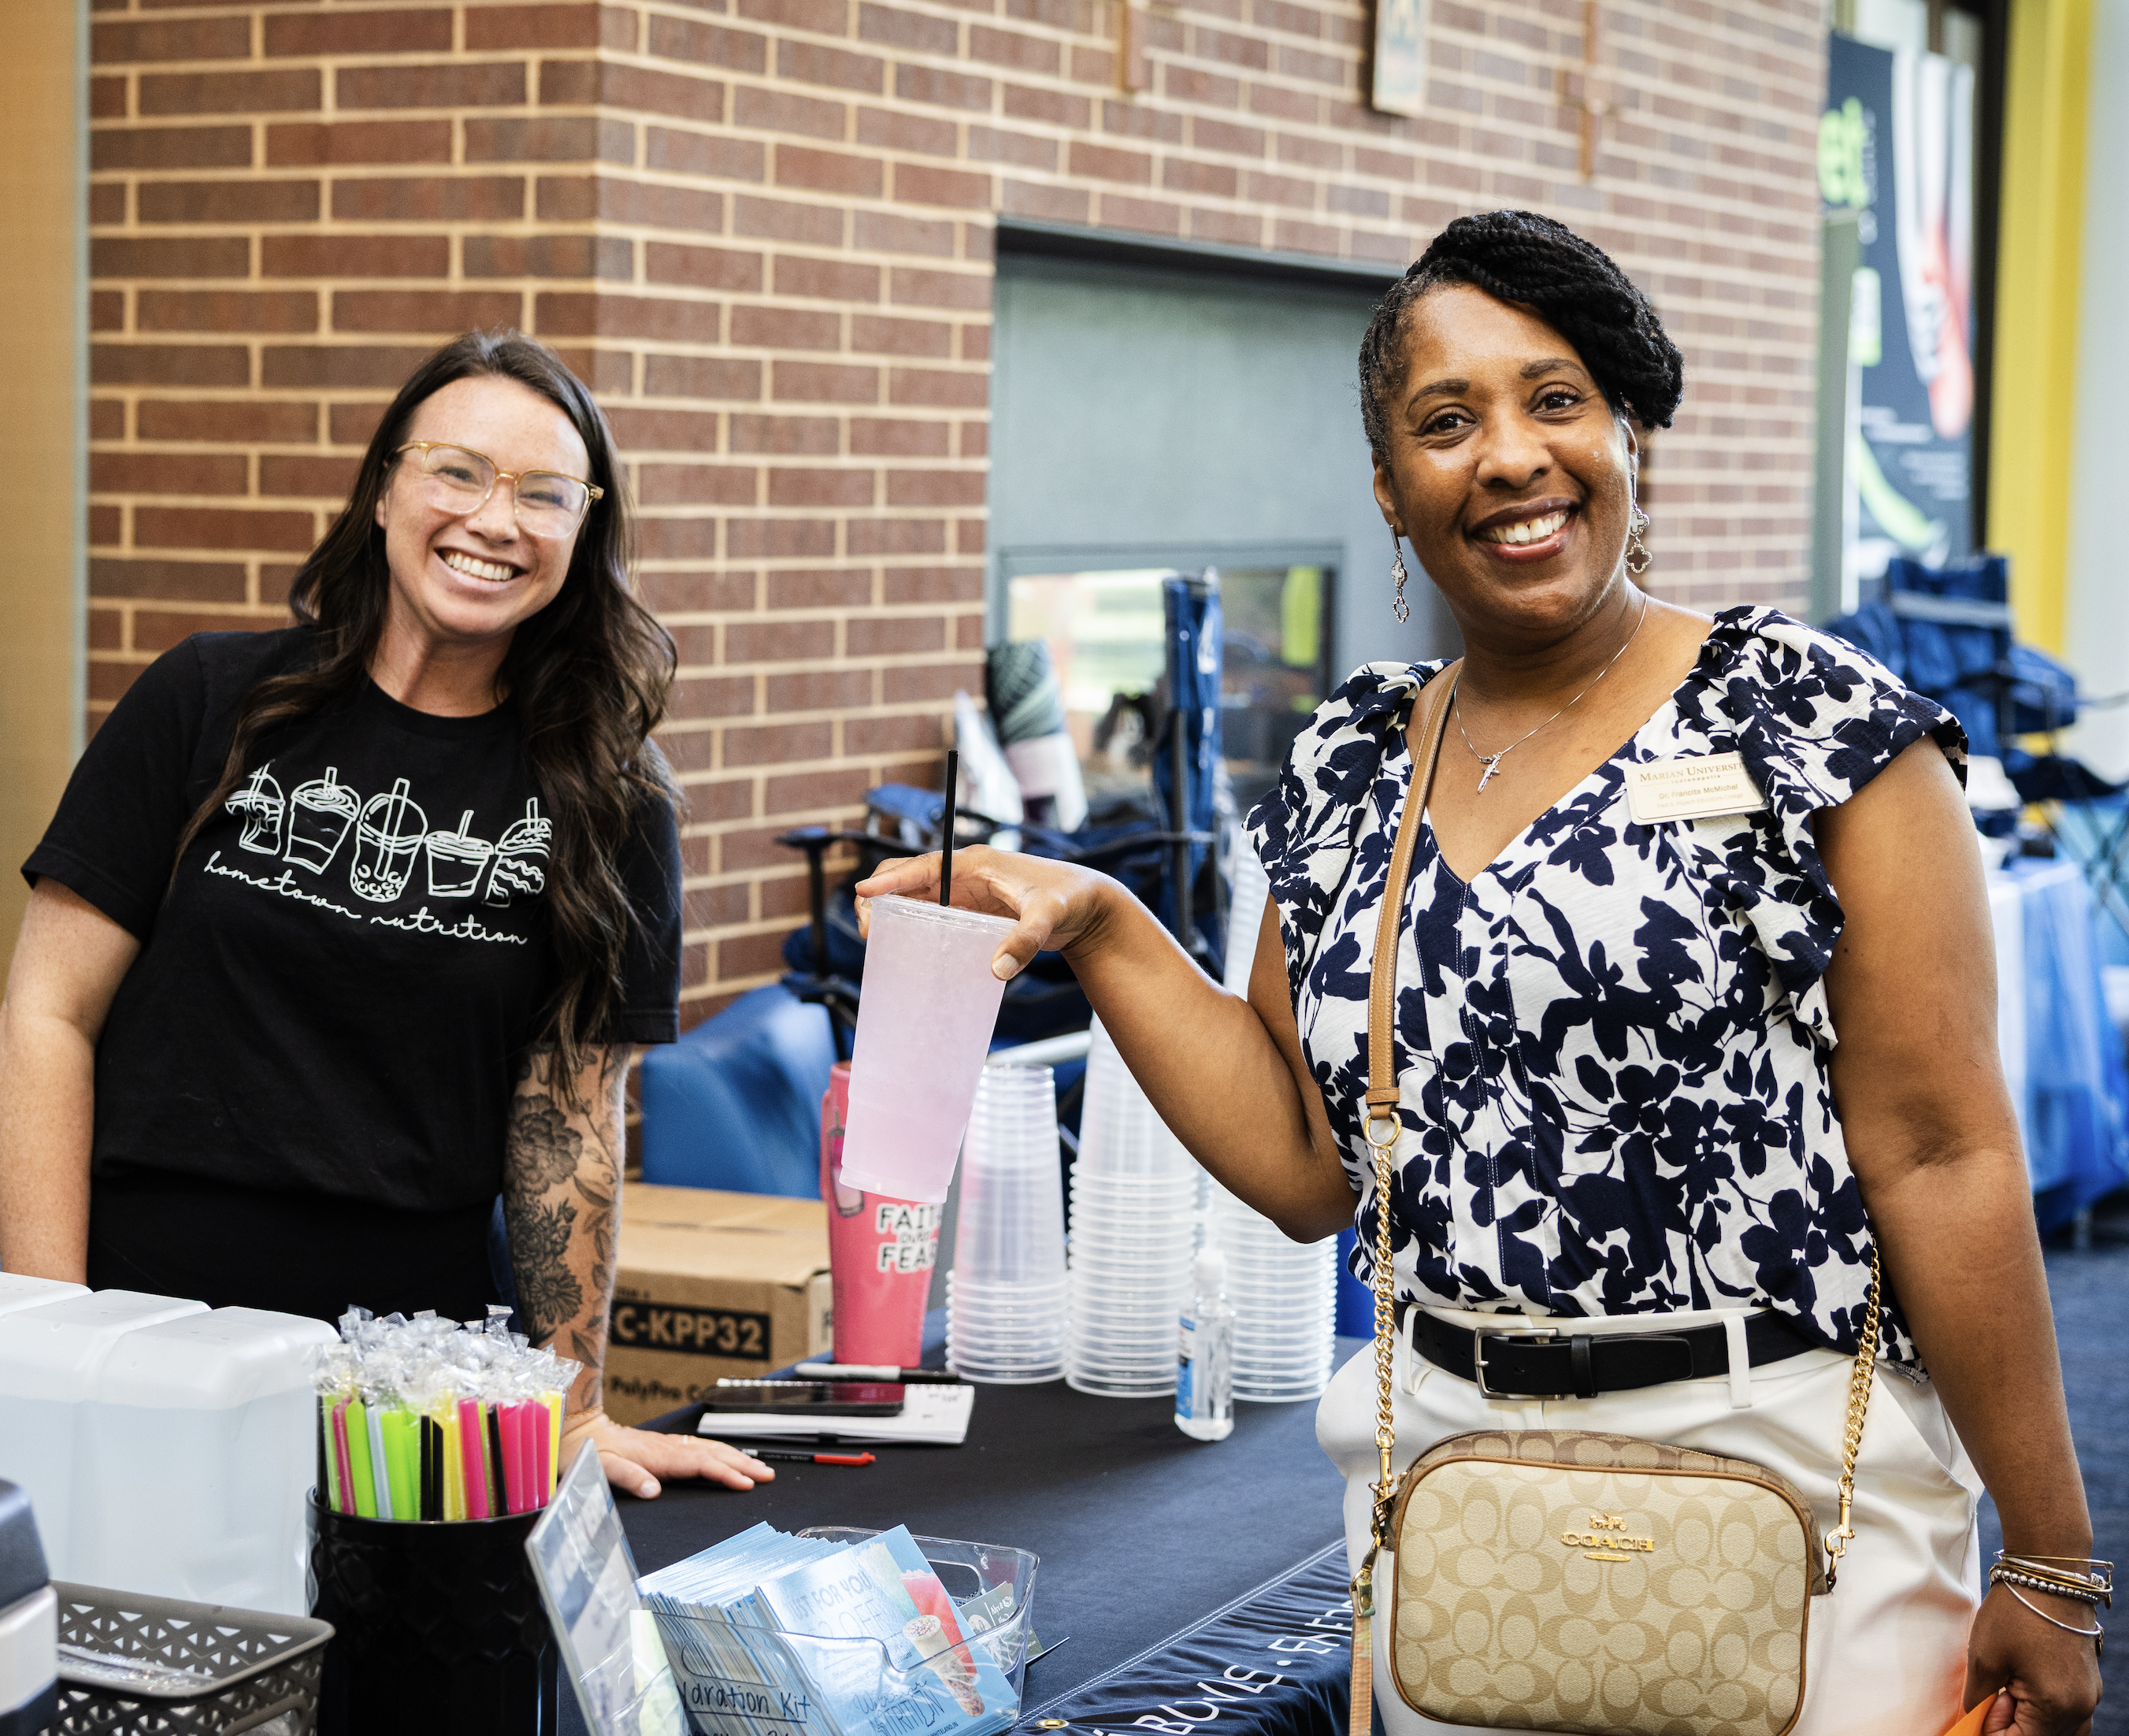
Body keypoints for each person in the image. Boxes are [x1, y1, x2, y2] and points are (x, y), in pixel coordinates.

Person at [856, 213, 2101, 1732]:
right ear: (1391, 488)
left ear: (1627, 431)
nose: (1510, 455)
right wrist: (1110, 923)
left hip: (1792, 1479)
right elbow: (1313, 1166)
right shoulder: (1346, 762)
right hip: (1455, 1489)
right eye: (1447, 422)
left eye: (1556, 398)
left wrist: (2049, 1556)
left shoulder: (1809, 718)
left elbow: (1945, 1148)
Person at [0, 329, 768, 1502]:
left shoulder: (609, 795)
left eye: (544, 493)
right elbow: (48, 1017)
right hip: (142, 1333)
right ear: (386, 486)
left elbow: (566, 1124)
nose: (495, 520)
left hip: (410, 1387)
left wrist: (572, 1406)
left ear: (583, 533)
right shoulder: (208, 699)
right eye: (458, 470)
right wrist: (55, 1336)